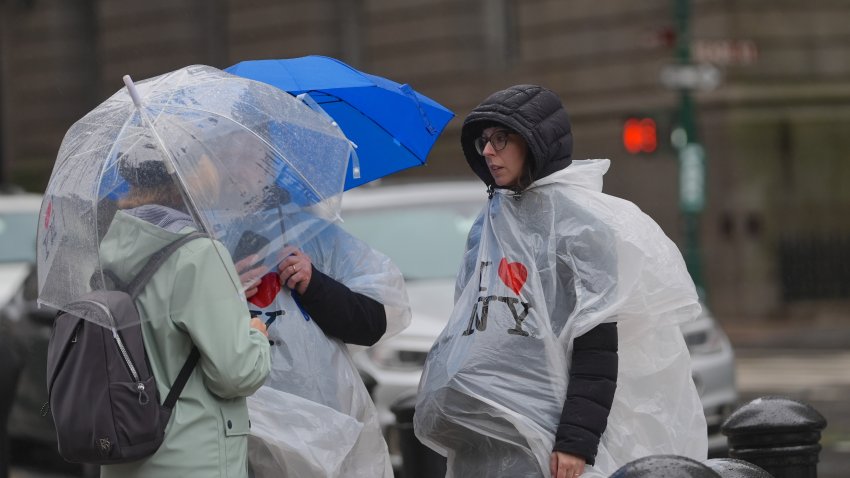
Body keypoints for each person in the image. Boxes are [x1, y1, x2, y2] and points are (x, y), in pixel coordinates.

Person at [414, 84, 707, 478]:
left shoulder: (580, 226)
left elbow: (596, 347)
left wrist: (575, 442)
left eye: (501, 138)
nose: (488, 151)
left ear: (534, 142)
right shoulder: (490, 223)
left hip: (552, 428)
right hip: (489, 433)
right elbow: (475, 325)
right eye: (484, 140)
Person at [98, 145, 272, 478]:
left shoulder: (112, 245)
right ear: (193, 177)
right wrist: (256, 334)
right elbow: (236, 372)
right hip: (194, 456)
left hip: (128, 453)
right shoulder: (200, 254)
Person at [230, 182, 411, 478]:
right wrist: (224, 294)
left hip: (325, 428)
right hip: (237, 429)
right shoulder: (195, 241)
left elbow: (371, 322)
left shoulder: (314, 235)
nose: (239, 163)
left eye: (249, 151)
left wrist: (314, 283)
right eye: (230, 151)